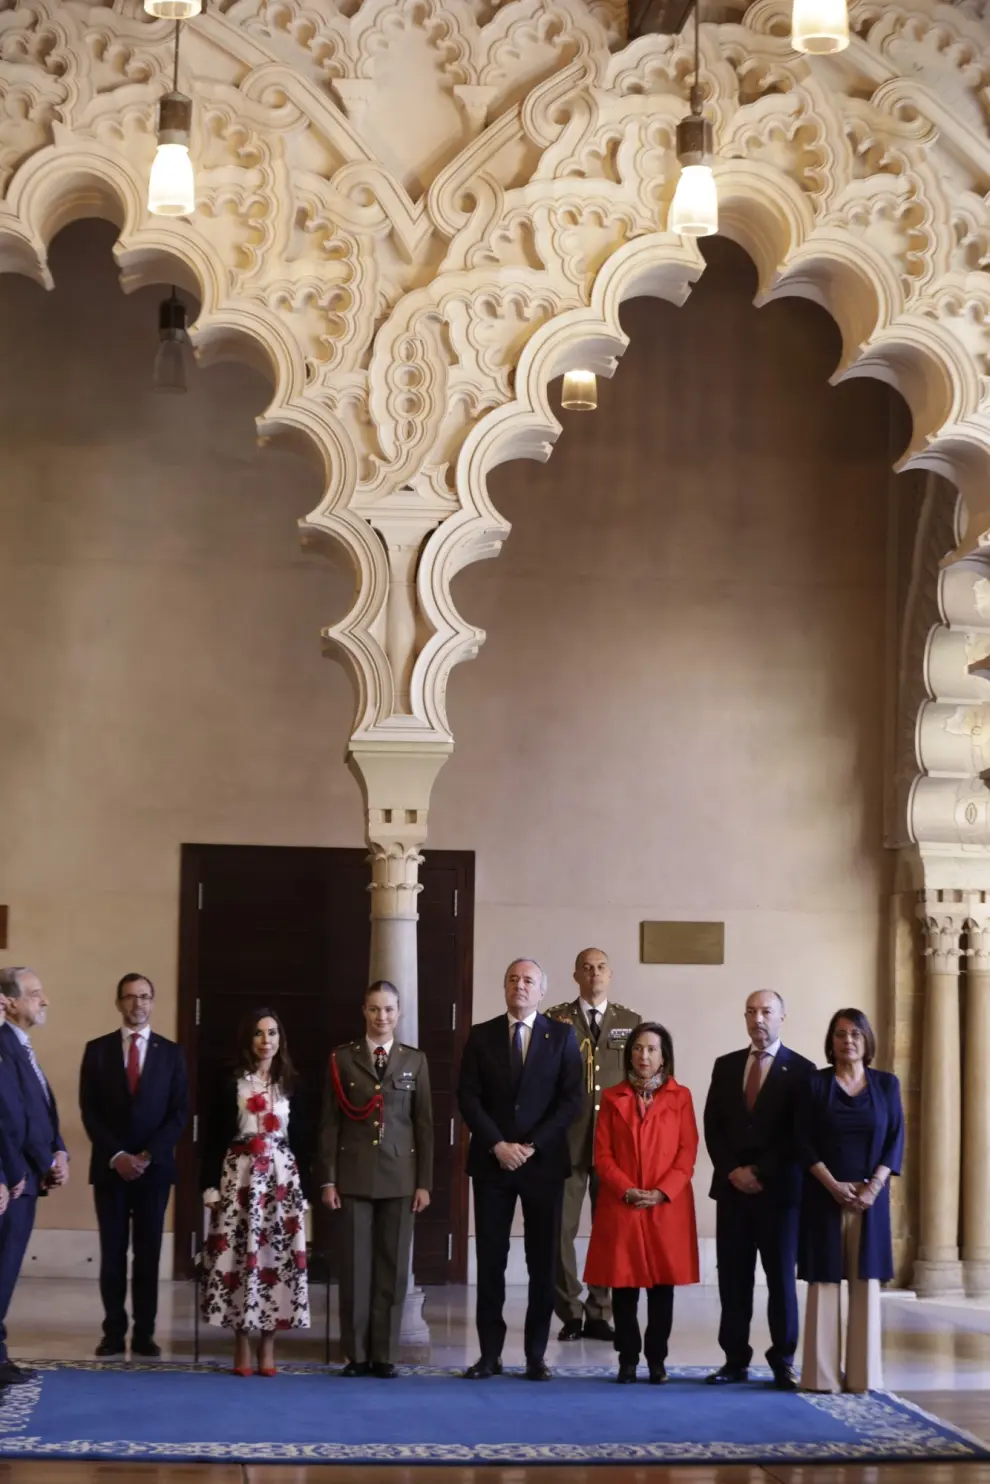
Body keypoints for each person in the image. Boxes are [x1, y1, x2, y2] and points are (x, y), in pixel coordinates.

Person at [457, 957, 583, 1381]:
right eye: (513, 979)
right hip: (493, 1163)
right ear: (505, 987)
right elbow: (468, 1098)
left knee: (541, 1262)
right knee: (491, 1260)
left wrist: (530, 1146)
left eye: (528, 980)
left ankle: (535, 1355)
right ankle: (489, 1355)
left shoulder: (563, 1036)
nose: (520, 986)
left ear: (542, 990)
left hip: (542, 1164)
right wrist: (498, 1144)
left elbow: (571, 1101)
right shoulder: (481, 1035)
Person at [318, 980, 433, 1378]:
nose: (381, 1017)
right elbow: (329, 1125)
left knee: (393, 1268)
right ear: (363, 1012)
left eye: (388, 1009)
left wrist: (424, 1182)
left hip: (401, 1177)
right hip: (353, 1176)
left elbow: (424, 1126)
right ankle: (357, 1354)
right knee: (355, 1269)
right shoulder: (342, 1059)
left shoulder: (414, 1061)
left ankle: (384, 1354)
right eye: (373, 1009)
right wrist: (328, 1180)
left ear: (398, 1013)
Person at [703, 989, 815, 1390]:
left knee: (781, 1280)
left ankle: (783, 1360)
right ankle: (734, 1360)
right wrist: (733, 1170)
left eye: (766, 1011)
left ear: (782, 1017)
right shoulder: (726, 1065)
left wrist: (760, 1171)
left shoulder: (803, 1071)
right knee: (733, 1280)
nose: (758, 1018)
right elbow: (712, 1126)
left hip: (779, 1194)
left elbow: (800, 1135)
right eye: (751, 1011)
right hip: (732, 1192)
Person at [79, 973, 190, 1358]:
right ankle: (113, 1332)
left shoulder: (171, 1053)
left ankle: (145, 1333)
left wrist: (145, 1156)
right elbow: (89, 1111)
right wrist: (118, 1156)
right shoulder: (97, 1050)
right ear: (118, 1003)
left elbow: (179, 1113)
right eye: (129, 997)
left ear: (153, 1002)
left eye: (144, 997)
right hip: (110, 1170)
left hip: (154, 1171)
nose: (137, 1004)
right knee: (112, 1253)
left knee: (147, 1254)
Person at [584, 1022, 698, 1383]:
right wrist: (626, 1188)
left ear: (664, 1055)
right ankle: (628, 1359)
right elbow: (602, 1155)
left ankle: (658, 1360)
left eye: (651, 1049)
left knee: (663, 1286)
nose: (643, 1056)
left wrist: (663, 1191)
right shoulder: (614, 1097)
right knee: (624, 1285)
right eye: (637, 1049)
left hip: (667, 1205)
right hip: (624, 1203)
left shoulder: (681, 1097)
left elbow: (687, 1151)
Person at [797, 1008, 904, 1394]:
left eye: (856, 1034)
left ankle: (863, 1377)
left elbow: (895, 1139)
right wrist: (831, 1184)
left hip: (869, 1200)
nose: (849, 1041)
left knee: (865, 1283)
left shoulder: (887, 1085)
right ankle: (821, 1377)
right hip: (826, 1195)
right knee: (824, 1283)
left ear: (867, 1040)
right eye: (841, 1035)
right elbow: (802, 1141)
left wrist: (872, 1188)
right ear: (832, 1042)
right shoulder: (814, 1085)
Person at [200, 1007, 311, 1375]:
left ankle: (269, 1344)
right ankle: (241, 1343)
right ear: (249, 1039)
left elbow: (305, 1141)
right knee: (238, 1258)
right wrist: (210, 1186)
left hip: (281, 1181)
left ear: (281, 1039)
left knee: (273, 1260)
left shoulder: (292, 1082)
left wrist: (305, 1190)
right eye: (260, 1034)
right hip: (240, 1177)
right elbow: (212, 1136)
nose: (267, 1041)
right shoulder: (230, 1081)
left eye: (273, 1033)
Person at [546, 947, 641, 1342]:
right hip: (567, 1140)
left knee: (609, 1231)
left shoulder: (630, 1021)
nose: (594, 974)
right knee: (559, 1230)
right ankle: (569, 1312)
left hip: (613, 1146)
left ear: (610, 974)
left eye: (601, 967)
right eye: (586, 968)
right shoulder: (555, 1019)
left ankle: (599, 1311)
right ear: (575, 976)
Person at [0, 967, 69, 1387]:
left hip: (27, 1175)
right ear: (8, 1002)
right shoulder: (3, 1045)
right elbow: (8, 1116)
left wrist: (58, 1151)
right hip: (15, 1181)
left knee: (6, 1272)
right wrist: (15, 1171)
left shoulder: (22, 1047)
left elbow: (40, 1109)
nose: (44, 1001)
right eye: (35, 994)